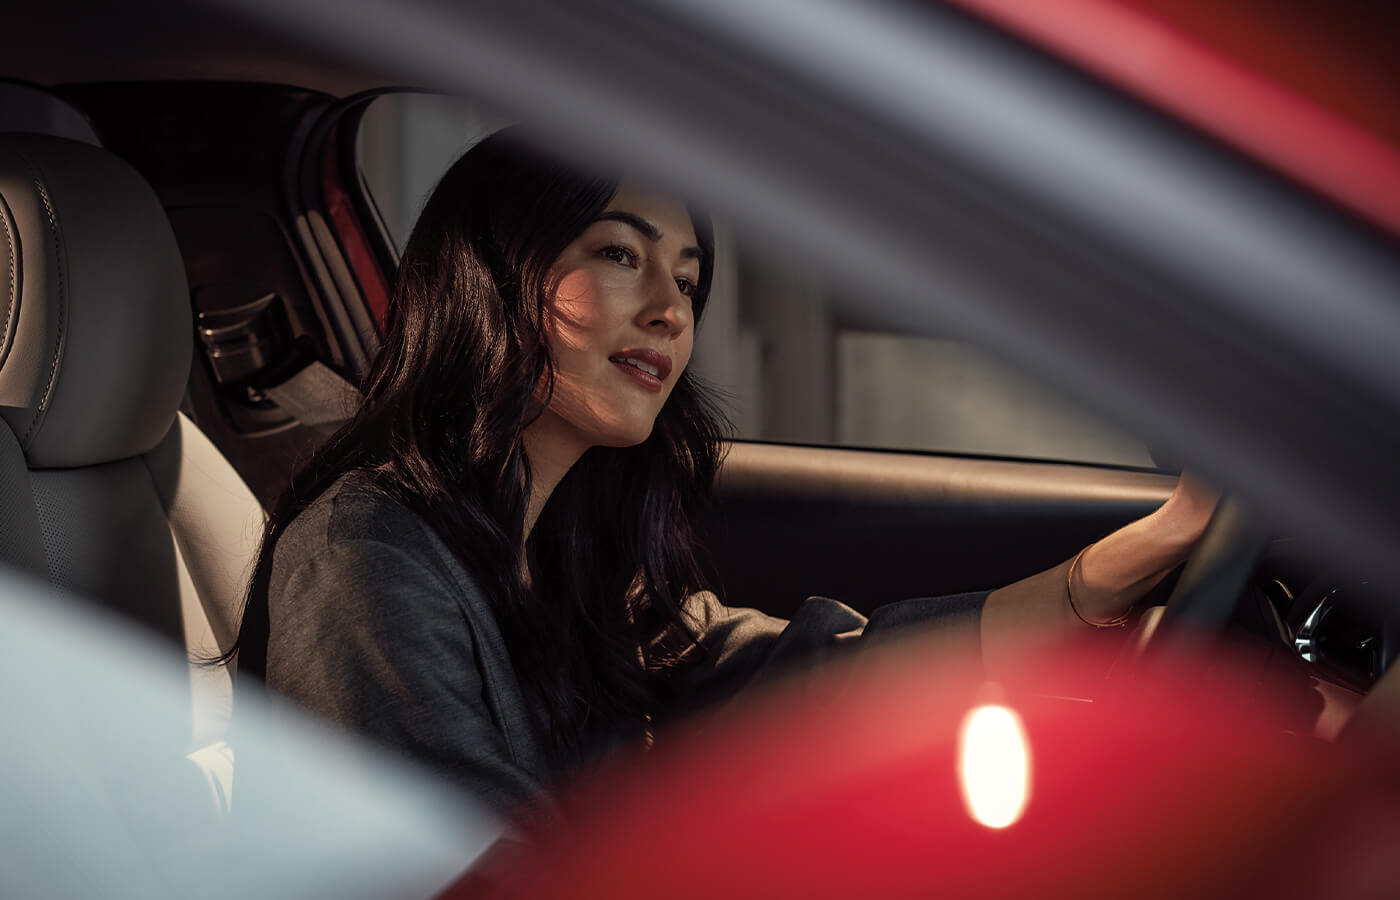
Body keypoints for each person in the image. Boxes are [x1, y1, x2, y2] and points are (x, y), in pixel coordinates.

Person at [226, 128, 1217, 822]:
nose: (670, 309)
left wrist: (1119, 570)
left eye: (689, 281)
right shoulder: (361, 557)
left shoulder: (567, 551)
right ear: (492, 271)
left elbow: (803, 676)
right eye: (621, 255)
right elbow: (445, 865)